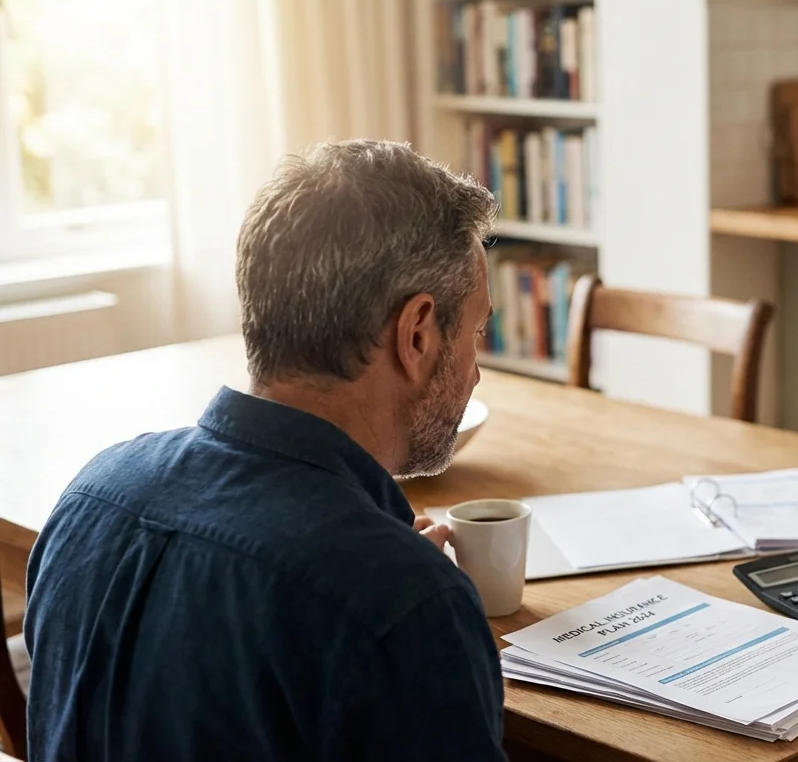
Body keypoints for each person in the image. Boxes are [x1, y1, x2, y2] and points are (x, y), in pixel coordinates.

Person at [24, 140, 507, 760]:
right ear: (415, 333)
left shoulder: (90, 497)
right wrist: (408, 605)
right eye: (474, 330)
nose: (475, 371)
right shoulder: (403, 606)